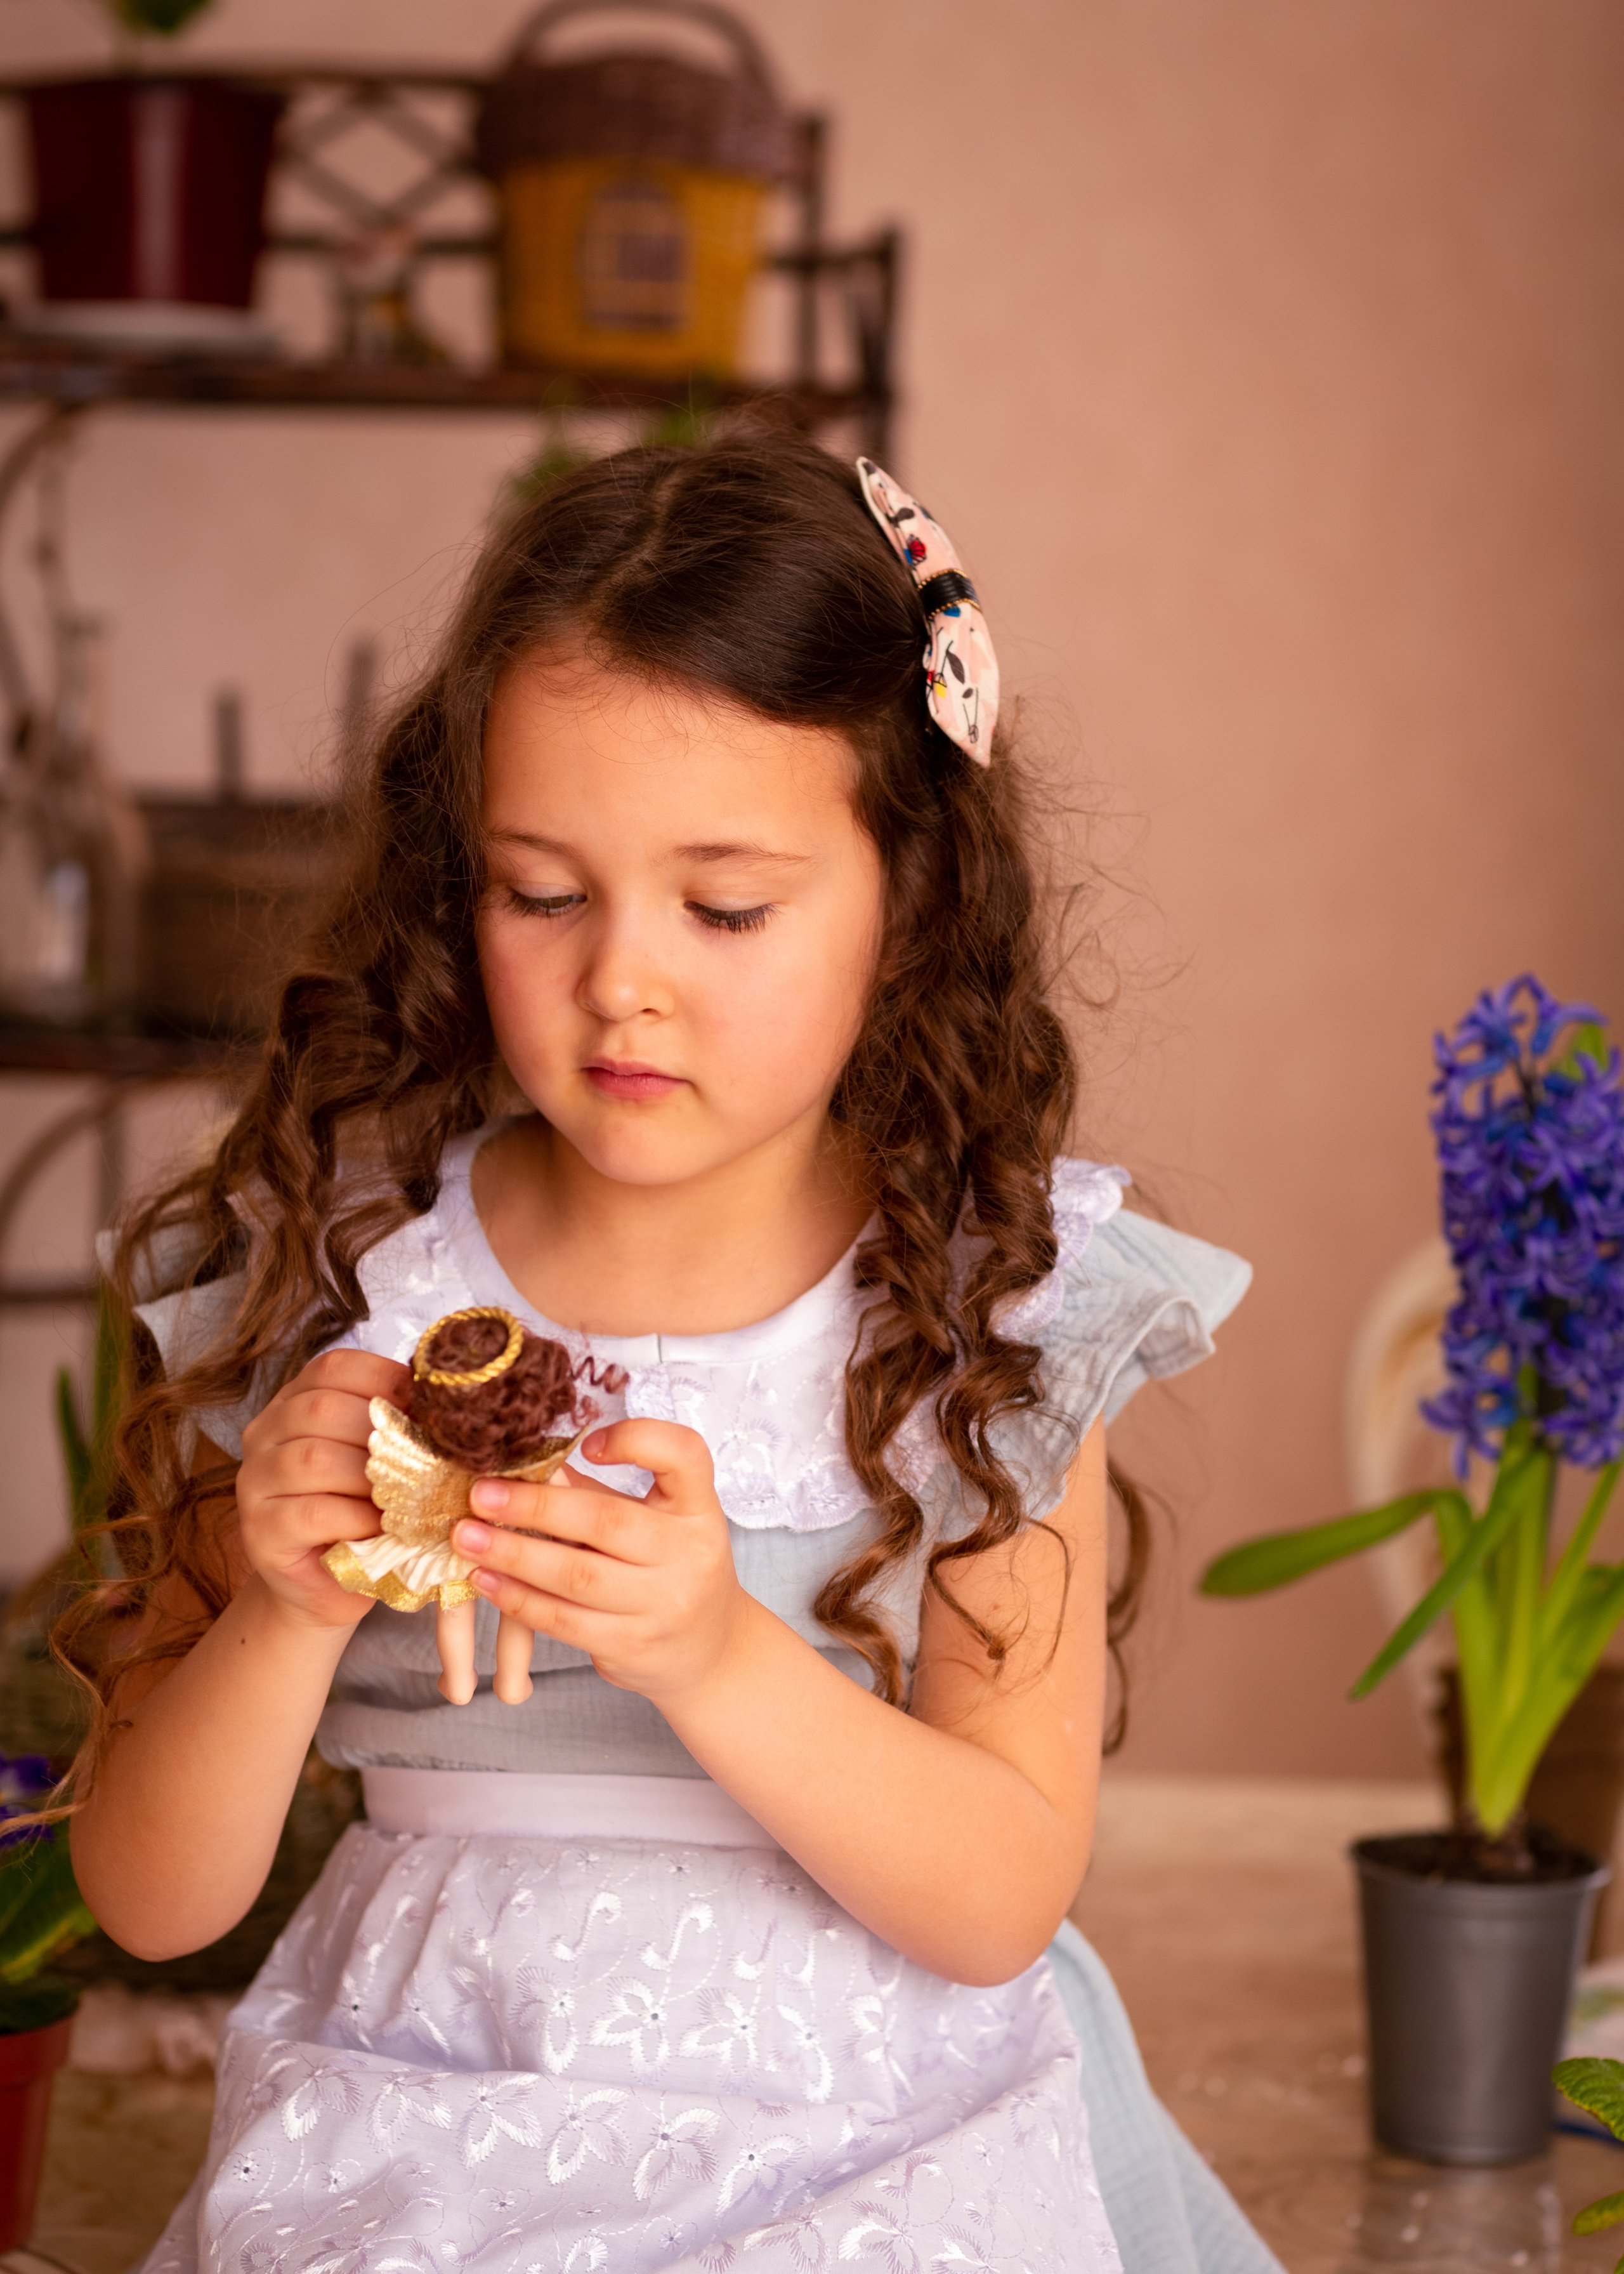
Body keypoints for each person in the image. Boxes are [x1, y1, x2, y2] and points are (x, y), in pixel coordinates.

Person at [63, 437, 1282, 2271]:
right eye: (541, 893)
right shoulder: (330, 1274)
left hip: (870, 2134)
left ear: (912, 900)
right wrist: (282, 1611)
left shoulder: (983, 1317)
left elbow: (999, 1895)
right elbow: (151, 1899)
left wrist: (718, 1655)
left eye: (725, 908)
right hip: (428, 2122)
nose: (622, 978)